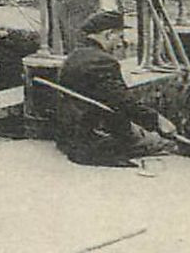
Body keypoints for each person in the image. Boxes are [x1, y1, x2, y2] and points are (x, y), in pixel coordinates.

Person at [56, 10, 178, 167]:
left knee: (144, 134)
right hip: (95, 138)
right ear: (108, 35)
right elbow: (123, 102)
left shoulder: (74, 56)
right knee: (168, 144)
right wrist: (157, 121)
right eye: (119, 37)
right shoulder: (103, 62)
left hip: (72, 133)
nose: (121, 43)